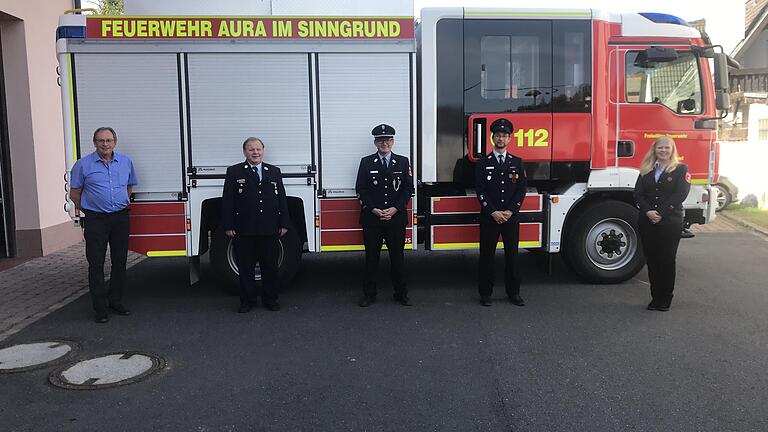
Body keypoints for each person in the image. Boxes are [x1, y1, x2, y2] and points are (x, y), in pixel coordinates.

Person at [70, 127, 138, 323]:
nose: (105, 144)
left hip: (120, 218)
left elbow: (129, 187)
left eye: (108, 140)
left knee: (120, 261)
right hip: (96, 220)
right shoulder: (83, 165)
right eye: (101, 141)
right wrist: (89, 210)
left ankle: (115, 301)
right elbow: (75, 193)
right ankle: (100, 309)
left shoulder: (125, 162)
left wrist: (120, 202)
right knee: (96, 263)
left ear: (115, 142)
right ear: (94, 143)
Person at [221, 137, 289, 313]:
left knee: (270, 267)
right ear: (245, 152)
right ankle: (247, 301)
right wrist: (228, 225)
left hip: (269, 228)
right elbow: (228, 201)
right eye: (251, 150)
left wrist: (284, 223)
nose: (255, 153)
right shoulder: (234, 172)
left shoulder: (273, 171)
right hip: (245, 228)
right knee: (246, 267)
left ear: (263, 151)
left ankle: (270, 299)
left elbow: (281, 199)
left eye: (258, 149)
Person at [355, 124, 414, 307]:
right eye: (381, 140)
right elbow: (361, 189)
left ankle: (401, 293)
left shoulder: (403, 162)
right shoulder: (366, 162)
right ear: (375, 142)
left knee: (398, 257)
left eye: (388, 140)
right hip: (372, 219)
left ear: (393, 141)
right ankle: (369, 294)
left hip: (395, 218)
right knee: (371, 258)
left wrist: (395, 208)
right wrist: (373, 209)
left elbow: (408, 189)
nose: (384, 143)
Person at [634, 136, 690, 312]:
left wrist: (661, 213)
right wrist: (648, 212)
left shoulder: (681, 169)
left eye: (667, 148)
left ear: (672, 150)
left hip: (670, 221)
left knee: (666, 259)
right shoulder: (645, 169)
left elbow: (680, 194)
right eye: (660, 148)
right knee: (651, 259)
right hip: (647, 220)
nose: (663, 151)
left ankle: (665, 299)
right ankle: (655, 297)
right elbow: (638, 195)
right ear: (654, 150)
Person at [475, 118, 527, 307]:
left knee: (512, 256)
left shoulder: (517, 162)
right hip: (490, 218)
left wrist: (511, 211)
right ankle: (485, 294)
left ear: (509, 139)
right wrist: (493, 212)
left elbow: (521, 189)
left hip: (510, 218)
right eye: (498, 135)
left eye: (504, 136)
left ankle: (514, 293)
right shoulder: (483, 163)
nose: (501, 139)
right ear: (492, 138)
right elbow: (480, 190)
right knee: (486, 256)